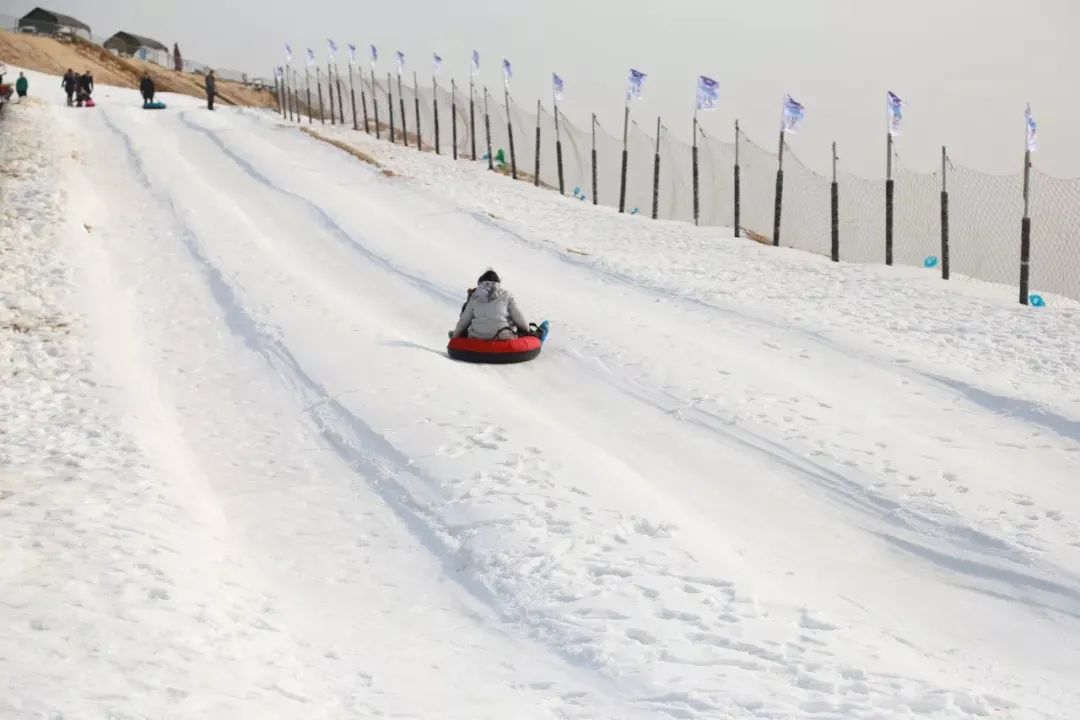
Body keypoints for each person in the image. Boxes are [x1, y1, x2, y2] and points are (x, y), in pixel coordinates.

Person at [452, 270, 533, 340]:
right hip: (502, 337)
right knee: (515, 325)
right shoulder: (506, 295)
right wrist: (528, 331)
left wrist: (455, 337)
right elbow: (519, 317)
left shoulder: (474, 297)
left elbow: (463, 321)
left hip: (477, 337)